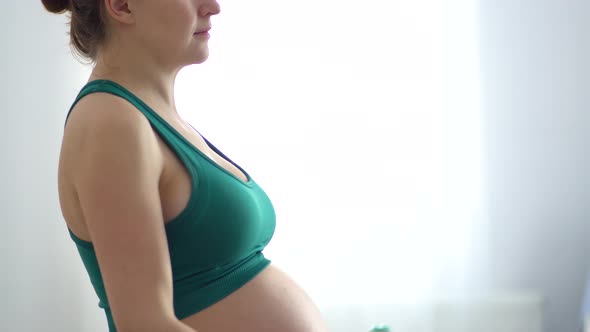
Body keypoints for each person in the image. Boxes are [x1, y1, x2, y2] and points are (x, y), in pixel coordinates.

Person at [43, 0, 328, 331]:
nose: (213, 6)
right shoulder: (111, 122)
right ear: (122, 6)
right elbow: (144, 324)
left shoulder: (151, 118)